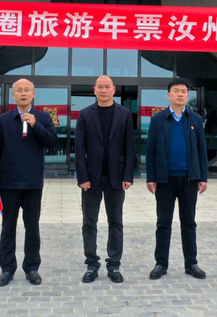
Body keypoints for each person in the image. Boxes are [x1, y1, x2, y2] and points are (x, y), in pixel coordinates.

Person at [0, 78, 57, 287]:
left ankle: (32, 267)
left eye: (27, 90)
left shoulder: (44, 117)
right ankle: (7, 269)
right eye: (19, 91)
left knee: (32, 227)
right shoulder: (4, 120)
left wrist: (35, 125)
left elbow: (53, 143)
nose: (23, 94)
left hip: (33, 183)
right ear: (14, 95)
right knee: (7, 227)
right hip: (8, 183)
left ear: (33, 94)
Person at [146, 78, 208, 280]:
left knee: (189, 222)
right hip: (165, 179)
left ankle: (191, 263)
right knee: (163, 222)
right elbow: (151, 150)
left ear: (188, 97)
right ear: (168, 95)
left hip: (189, 179)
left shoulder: (195, 119)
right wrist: (151, 177)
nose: (180, 94)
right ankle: (160, 264)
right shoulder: (158, 119)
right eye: (176, 91)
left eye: (183, 92)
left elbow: (201, 150)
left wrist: (203, 177)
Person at [74, 75, 135, 283]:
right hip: (90, 178)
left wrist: (128, 175)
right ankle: (91, 265)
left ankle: (114, 265)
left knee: (115, 222)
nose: (103, 90)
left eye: (107, 87)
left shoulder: (125, 114)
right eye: (100, 87)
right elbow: (79, 148)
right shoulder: (84, 114)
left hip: (117, 178)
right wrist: (82, 177)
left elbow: (130, 146)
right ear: (94, 90)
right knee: (89, 223)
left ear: (113, 89)